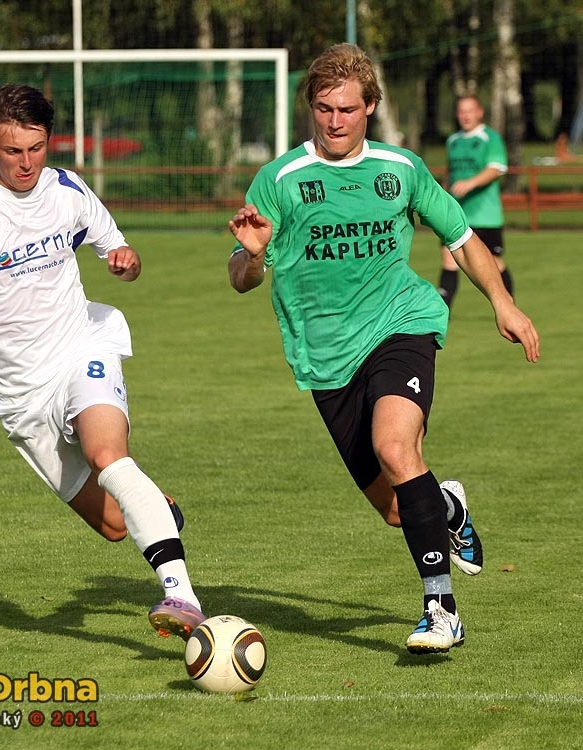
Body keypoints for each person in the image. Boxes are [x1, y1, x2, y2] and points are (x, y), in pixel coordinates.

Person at [228, 44, 540, 654]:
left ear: (370, 105)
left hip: (401, 323)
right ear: (311, 108)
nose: (335, 120)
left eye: (347, 108)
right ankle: (446, 505)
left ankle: (440, 607)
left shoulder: (401, 168)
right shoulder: (280, 180)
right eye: (323, 108)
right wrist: (255, 254)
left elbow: (463, 235)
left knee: (395, 446)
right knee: (400, 509)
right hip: (325, 356)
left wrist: (502, 302)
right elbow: (241, 276)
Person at [0, 84, 205, 642]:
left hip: (80, 345)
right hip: (20, 395)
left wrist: (126, 260)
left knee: (107, 453)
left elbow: (121, 252)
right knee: (115, 525)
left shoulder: (68, 190)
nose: (27, 163)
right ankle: (152, 506)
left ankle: (181, 596)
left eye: (37, 148)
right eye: (13, 151)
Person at [437, 95, 512, 309]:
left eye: (470, 111)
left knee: (494, 263)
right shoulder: (453, 141)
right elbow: (449, 176)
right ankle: (443, 312)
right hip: (457, 215)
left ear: (480, 112)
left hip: (485, 216)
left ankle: (509, 303)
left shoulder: (490, 138)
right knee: (449, 259)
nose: (465, 116)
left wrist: (470, 183)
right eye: (461, 111)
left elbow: (496, 168)